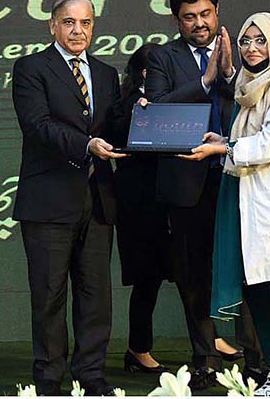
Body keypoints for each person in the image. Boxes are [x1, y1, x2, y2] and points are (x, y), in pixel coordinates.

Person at [182, 12, 270, 394]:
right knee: (257, 293)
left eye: (261, 40)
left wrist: (225, 146)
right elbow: (247, 140)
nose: (253, 48)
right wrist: (223, 140)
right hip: (248, 206)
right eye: (246, 41)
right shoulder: (248, 85)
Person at [145, 0, 262, 389]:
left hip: (239, 177)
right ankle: (205, 359)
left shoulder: (247, 50)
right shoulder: (162, 57)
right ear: (177, 20)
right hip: (186, 183)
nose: (199, 23)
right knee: (193, 275)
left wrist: (230, 76)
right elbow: (155, 113)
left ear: (217, 11)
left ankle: (256, 360)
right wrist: (206, 81)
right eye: (189, 17)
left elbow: (260, 103)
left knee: (248, 271)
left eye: (206, 14)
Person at [12, 0, 124, 396]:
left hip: (98, 200)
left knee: (96, 296)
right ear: (53, 25)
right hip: (47, 202)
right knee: (49, 296)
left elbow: (118, 127)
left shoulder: (108, 74)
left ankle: (91, 375)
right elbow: (37, 126)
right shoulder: (30, 68)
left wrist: (145, 115)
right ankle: (48, 379)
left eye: (86, 23)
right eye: (69, 22)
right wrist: (87, 145)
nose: (79, 31)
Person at [112, 44, 172, 374]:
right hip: (140, 206)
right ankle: (139, 349)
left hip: (175, 199)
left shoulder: (176, 97)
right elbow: (116, 134)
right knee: (147, 279)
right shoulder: (125, 104)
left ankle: (210, 342)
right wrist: (141, 113)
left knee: (193, 276)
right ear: (146, 73)